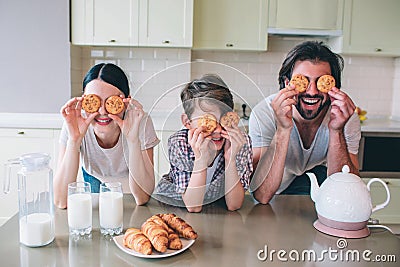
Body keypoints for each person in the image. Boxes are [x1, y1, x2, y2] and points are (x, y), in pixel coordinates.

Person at [249, 41, 361, 204]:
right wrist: (283, 129)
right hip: (278, 184)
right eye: (304, 80)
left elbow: (348, 192)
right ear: (287, 84)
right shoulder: (264, 114)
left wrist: (337, 130)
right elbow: (261, 195)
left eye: (321, 81)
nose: (312, 91)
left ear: (333, 85)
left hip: (322, 179)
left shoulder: (345, 116)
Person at [54, 63, 159, 208]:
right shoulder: (75, 122)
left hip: (130, 181)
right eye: (94, 101)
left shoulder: (139, 121)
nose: (102, 111)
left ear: (126, 102)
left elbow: (142, 197)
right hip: (93, 175)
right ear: (84, 101)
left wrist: (133, 140)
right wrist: (74, 140)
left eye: (110, 101)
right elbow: (61, 201)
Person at [154, 74, 253, 212]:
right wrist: (201, 160)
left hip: (216, 212)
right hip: (172, 208)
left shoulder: (240, 142)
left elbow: (234, 205)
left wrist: (230, 158)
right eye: (207, 122)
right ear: (187, 122)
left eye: (223, 120)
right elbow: (193, 206)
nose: (218, 130)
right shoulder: (180, 142)